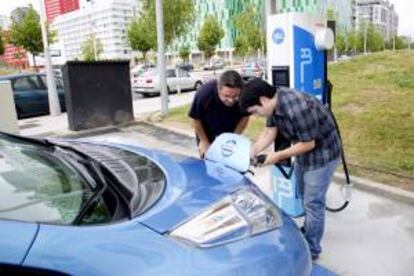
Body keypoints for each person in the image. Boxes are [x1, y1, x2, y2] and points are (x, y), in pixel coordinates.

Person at [239, 78, 341, 260]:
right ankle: (310, 229)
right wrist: (253, 151)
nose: (256, 115)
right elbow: (270, 132)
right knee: (303, 196)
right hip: (304, 153)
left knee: (313, 203)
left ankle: (312, 249)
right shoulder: (273, 103)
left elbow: (309, 143)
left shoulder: (298, 107)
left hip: (323, 155)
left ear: (262, 100)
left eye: (254, 111)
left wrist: (277, 156)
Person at [188, 70, 249, 158]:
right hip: (207, 131)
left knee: (229, 160)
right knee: (208, 159)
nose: (231, 100)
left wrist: (233, 138)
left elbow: (245, 117)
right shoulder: (204, 93)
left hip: (231, 130)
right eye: (226, 96)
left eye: (235, 96)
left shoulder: (245, 94)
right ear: (218, 89)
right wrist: (204, 141)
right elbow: (195, 119)